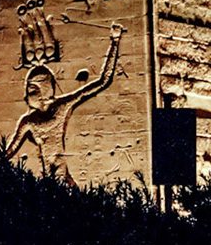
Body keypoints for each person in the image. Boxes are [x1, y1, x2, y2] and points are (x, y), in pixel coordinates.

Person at [7, 23, 125, 181]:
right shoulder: (29, 121)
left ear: (45, 91)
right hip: (49, 178)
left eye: (31, 91)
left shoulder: (61, 108)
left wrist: (115, 42)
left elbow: (103, 81)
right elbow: (8, 152)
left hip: (60, 176)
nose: (25, 98)